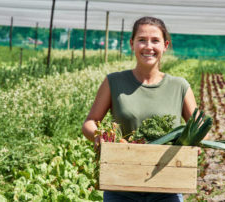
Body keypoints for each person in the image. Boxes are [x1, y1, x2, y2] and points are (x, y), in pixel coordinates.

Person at [82, 16, 200, 202]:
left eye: (155, 41)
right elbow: (90, 122)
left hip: (167, 185)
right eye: (142, 40)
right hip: (120, 184)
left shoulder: (179, 86)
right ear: (132, 44)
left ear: (165, 45)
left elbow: (201, 129)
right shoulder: (114, 82)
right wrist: (99, 136)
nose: (148, 46)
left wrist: (193, 142)